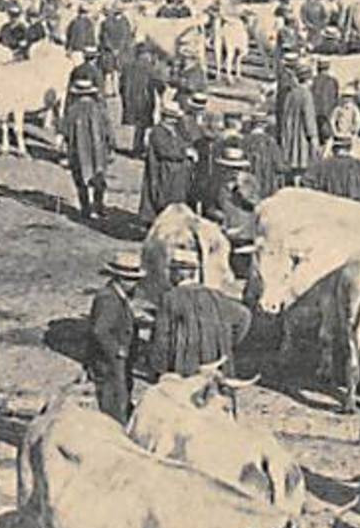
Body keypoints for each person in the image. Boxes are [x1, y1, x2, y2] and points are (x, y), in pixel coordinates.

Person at [150, 253, 250, 377]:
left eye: (171, 270)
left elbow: (162, 337)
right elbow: (244, 316)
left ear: (178, 274)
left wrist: (159, 370)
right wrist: (227, 342)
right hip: (217, 364)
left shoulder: (170, 298)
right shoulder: (216, 296)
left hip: (186, 367)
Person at [85, 253, 142, 422]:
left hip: (117, 361)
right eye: (130, 279)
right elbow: (100, 330)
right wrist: (118, 350)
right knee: (114, 401)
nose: (135, 284)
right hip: (109, 362)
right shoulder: (108, 298)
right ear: (119, 278)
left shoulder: (118, 296)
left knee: (121, 395)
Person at [60, 76, 112, 221]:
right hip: (98, 151)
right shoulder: (100, 109)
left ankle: (85, 209)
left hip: (78, 151)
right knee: (99, 179)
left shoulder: (72, 111)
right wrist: (110, 146)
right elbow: (108, 131)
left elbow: (65, 132)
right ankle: (99, 207)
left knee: (80, 181)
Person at [139, 103, 193, 222]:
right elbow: (165, 151)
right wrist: (184, 153)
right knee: (161, 199)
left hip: (174, 173)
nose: (174, 121)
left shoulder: (176, 131)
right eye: (171, 118)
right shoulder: (158, 132)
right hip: (162, 172)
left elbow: (184, 143)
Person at [304, 134, 360, 204]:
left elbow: (306, 181)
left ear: (333, 149)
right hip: (355, 206)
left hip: (329, 207)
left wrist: (319, 197)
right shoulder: (358, 165)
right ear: (350, 148)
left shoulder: (322, 166)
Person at [279, 62, 320, 181]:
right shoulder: (306, 95)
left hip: (290, 133)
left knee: (291, 163)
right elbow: (309, 118)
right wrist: (313, 137)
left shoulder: (290, 93)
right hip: (301, 135)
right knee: (301, 165)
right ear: (308, 79)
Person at [311, 59, 340, 142]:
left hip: (315, 112)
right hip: (329, 112)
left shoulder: (313, 81)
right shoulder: (332, 81)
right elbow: (336, 97)